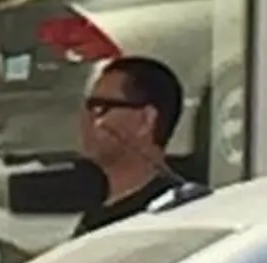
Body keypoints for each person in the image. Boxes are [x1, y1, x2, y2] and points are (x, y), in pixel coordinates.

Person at [74, 55, 207, 234]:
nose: (87, 120)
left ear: (146, 120)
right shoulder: (96, 207)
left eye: (100, 108)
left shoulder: (168, 215)